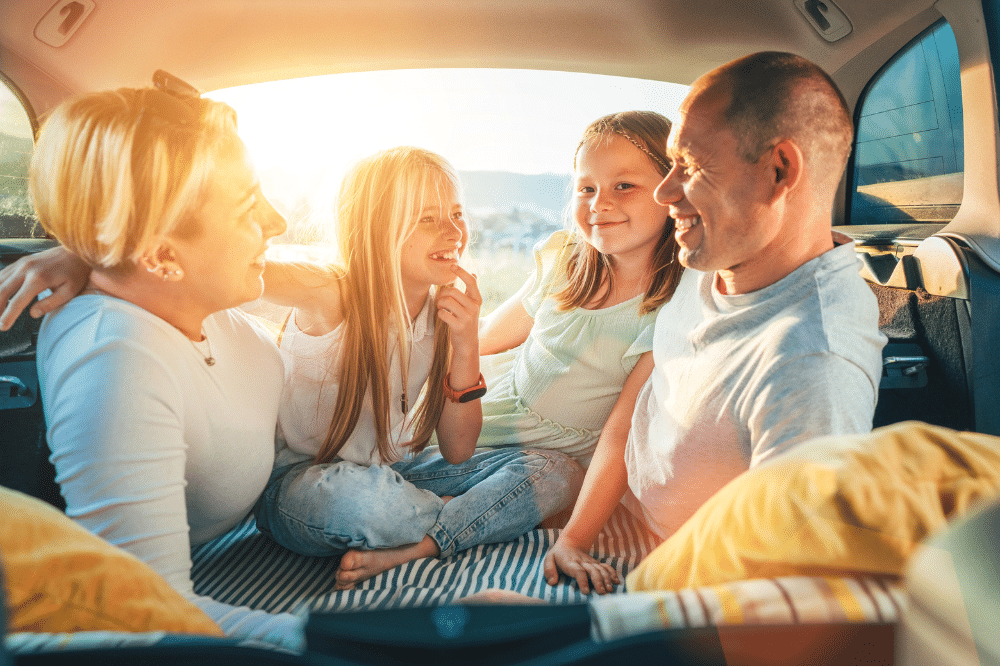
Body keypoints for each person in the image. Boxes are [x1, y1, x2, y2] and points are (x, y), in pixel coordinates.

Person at [544, 51, 886, 594]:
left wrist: (595, 621)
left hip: (693, 581)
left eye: (691, 166)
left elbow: (781, 591)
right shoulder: (710, 266)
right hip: (618, 520)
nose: (665, 193)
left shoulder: (811, 364)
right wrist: (574, 540)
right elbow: (634, 413)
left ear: (779, 170)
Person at [0, 83, 304, 650]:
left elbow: (332, 288)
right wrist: (381, 645)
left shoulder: (191, 296)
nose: (279, 221)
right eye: (248, 207)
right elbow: (156, 619)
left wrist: (86, 254)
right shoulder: (114, 363)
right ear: (162, 255)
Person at [252, 146, 584, 589]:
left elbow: (458, 450)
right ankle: (444, 516)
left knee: (557, 472)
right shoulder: (333, 291)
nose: (454, 232)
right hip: (304, 487)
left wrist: (465, 343)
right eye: (428, 218)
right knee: (367, 506)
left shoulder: (440, 313)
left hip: (394, 471)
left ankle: (419, 543)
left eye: (457, 214)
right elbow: (246, 268)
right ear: (377, 226)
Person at [476, 111, 686, 468]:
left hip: (543, 463)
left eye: (624, 186)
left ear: (672, 190)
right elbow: (485, 336)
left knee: (544, 476)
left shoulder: (668, 310)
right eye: (586, 188)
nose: (599, 203)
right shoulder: (564, 262)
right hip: (487, 425)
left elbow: (620, 434)